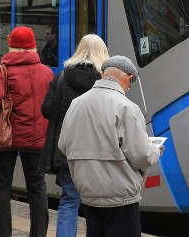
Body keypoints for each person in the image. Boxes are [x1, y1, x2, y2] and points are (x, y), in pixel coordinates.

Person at [58, 56, 162, 237]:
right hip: (120, 196)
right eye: (131, 83)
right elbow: (140, 156)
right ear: (128, 78)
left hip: (89, 193)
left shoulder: (76, 104)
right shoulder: (126, 107)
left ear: (103, 75)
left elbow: (63, 145)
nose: (129, 88)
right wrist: (155, 151)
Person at [0, 26, 53, 237]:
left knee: (2, 188)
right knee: (37, 188)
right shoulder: (47, 72)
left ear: (11, 45)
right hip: (37, 138)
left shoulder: (2, 71)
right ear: (33, 46)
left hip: (6, 138)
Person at [41, 34, 106, 237]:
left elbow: (46, 109)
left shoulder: (61, 78)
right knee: (97, 204)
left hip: (67, 149)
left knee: (69, 200)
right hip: (97, 150)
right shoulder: (104, 80)